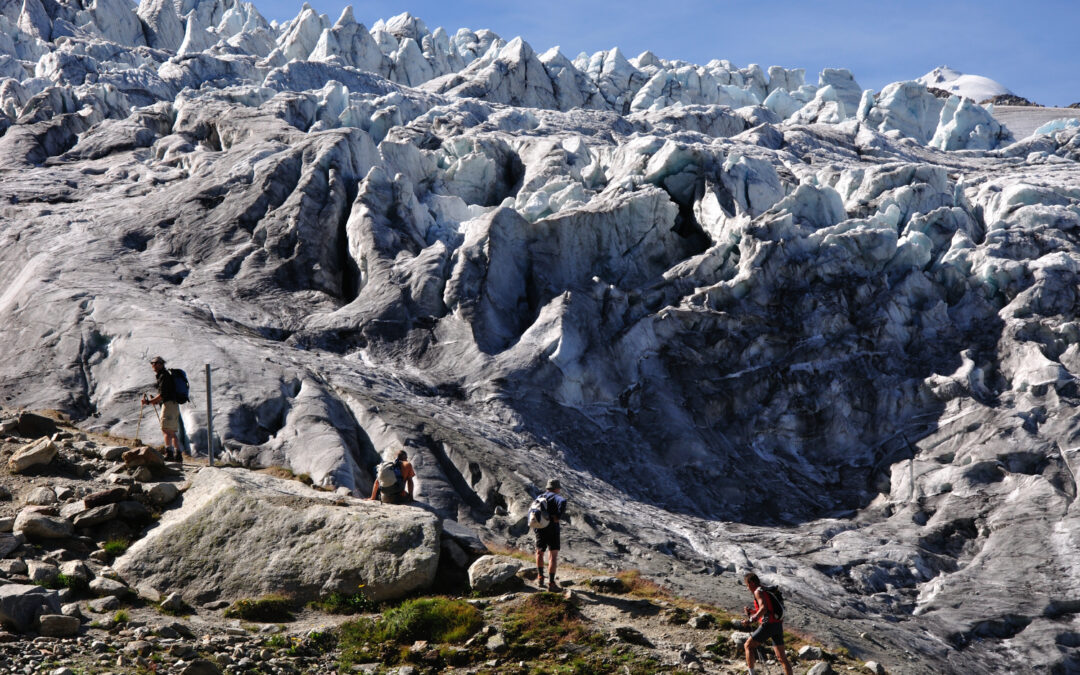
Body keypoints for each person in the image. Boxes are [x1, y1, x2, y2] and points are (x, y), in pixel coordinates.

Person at [741, 572, 793, 675]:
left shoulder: (758, 592)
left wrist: (751, 620)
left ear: (751, 582)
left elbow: (764, 609)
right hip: (777, 625)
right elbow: (767, 610)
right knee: (782, 658)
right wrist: (752, 612)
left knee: (748, 646)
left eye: (747, 585)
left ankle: (752, 673)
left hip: (768, 625)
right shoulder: (765, 590)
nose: (747, 588)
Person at [141, 356, 183, 462]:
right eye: (152, 363)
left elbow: (163, 394)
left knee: (165, 430)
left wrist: (149, 402)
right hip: (174, 405)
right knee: (172, 431)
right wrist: (155, 401)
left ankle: (169, 453)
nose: (153, 365)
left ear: (161, 364)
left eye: (155, 363)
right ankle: (178, 455)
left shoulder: (163, 376)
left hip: (168, 405)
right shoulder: (166, 375)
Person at [534, 478, 568, 591]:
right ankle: (552, 584)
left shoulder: (540, 497)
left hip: (540, 528)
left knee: (539, 552)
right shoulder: (557, 497)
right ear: (557, 488)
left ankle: (540, 578)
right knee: (553, 556)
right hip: (552, 528)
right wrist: (558, 516)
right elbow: (563, 501)